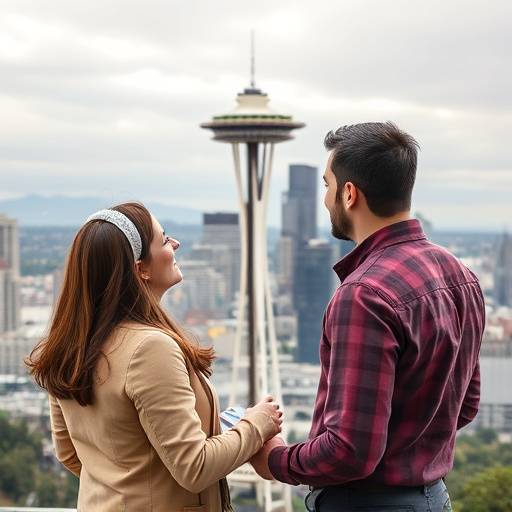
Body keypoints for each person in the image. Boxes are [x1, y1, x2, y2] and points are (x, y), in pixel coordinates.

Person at [250, 122, 485, 511]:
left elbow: (349, 451)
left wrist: (275, 458)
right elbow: (466, 404)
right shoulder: (461, 277)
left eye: (327, 185)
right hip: (434, 499)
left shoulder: (363, 295)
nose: (325, 199)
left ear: (349, 193)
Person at [26, 202, 282, 512]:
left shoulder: (71, 344)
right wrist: (257, 424)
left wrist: (129, 486)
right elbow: (195, 467)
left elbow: (70, 454)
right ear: (140, 269)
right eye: (163, 240)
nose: (176, 244)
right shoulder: (149, 349)